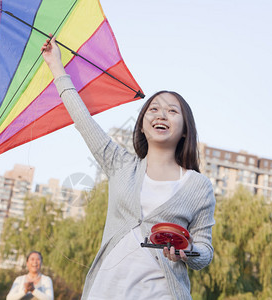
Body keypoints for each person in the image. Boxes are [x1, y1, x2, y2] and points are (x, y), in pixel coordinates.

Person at [41, 36, 216, 300]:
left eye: (172, 111)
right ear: (143, 124)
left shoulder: (198, 187)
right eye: (153, 109)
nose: (160, 115)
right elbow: (83, 120)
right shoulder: (120, 164)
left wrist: (189, 249)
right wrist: (57, 67)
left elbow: (204, 252)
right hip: (105, 291)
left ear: (184, 130)